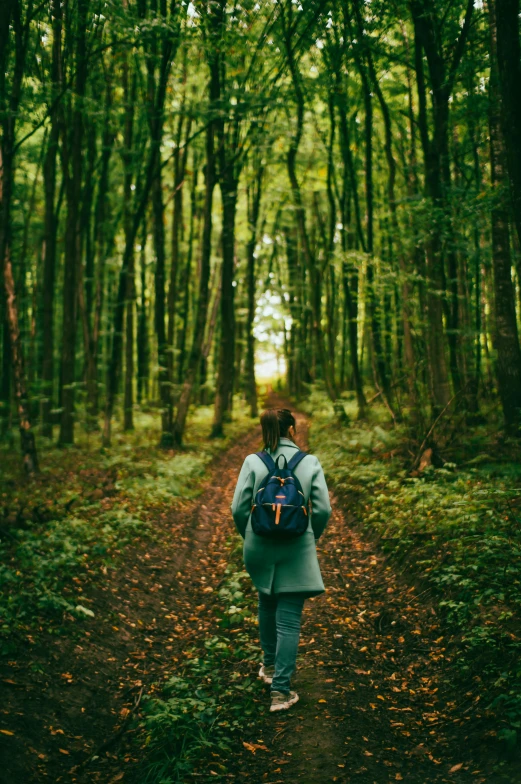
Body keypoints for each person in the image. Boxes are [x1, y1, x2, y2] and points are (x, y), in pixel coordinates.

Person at [231, 408, 332, 712]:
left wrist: (248, 535)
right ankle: (281, 693)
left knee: (266, 601)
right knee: (288, 618)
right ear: (292, 430)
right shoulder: (310, 462)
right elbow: (323, 509)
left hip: (258, 542)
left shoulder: (253, 461)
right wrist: (311, 537)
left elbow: (238, 508)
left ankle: (269, 668)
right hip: (295, 545)